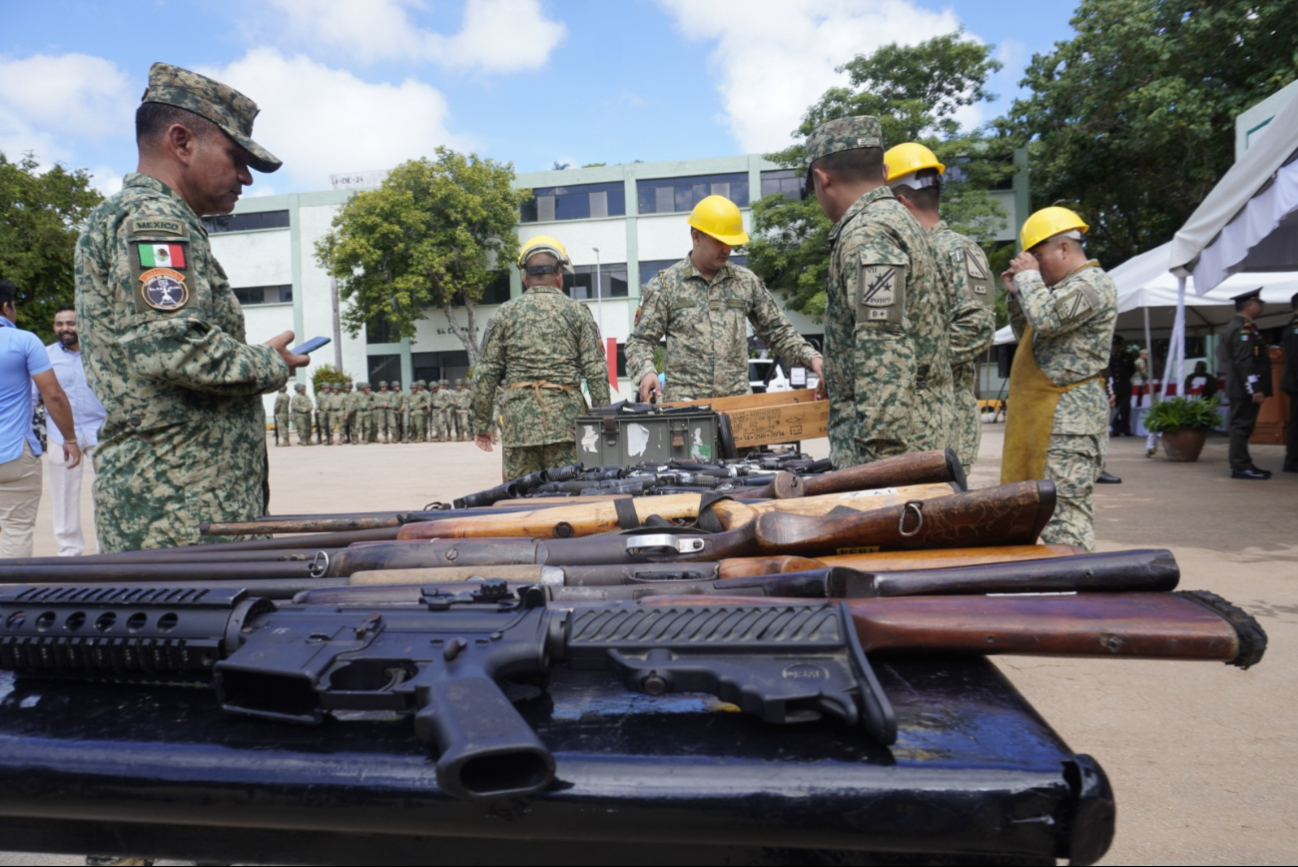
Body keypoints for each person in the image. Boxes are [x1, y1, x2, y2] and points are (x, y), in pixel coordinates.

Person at [74, 62, 306, 551]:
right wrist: (270, 362)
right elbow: (173, 347)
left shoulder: (139, 217)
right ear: (181, 142)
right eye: (236, 157)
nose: (244, 176)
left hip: (180, 499)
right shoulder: (154, 220)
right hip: (178, 510)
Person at [804, 116, 957, 468]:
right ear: (885, 171)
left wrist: (880, 464)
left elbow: (883, 347)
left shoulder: (867, 232)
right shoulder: (904, 220)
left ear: (822, 179)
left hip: (887, 453)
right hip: (921, 434)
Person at [625, 195, 823, 403]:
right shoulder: (665, 285)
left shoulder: (746, 282)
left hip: (736, 405)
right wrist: (647, 371)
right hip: (685, 410)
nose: (727, 249)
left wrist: (812, 357)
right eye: (719, 240)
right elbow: (640, 341)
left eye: (730, 241)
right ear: (696, 237)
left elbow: (778, 331)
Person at [1000, 207, 1117, 551]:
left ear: (1064, 248)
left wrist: (1028, 280)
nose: (1033, 265)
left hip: (1070, 420)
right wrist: (1016, 294)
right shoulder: (1060, 288)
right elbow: (1029, 334)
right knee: (1031, 508)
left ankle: (1077, 591)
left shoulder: (1093, 283)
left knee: (1064, 513)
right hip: (1045, 417)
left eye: (1038, 256)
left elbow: (1048, 319)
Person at [884, 142, 995, 472]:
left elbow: (977, 328)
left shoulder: (959, 251)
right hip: (910, 421)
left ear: (900, 204)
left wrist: (907, 365)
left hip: (945, 421)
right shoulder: (903, 254)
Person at [471, 235, 611, 479]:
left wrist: (483, 425)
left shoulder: (504, 313)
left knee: (520, 503)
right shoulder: (577, 312)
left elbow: (486, 372)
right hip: (566, 425)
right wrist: (606, 419)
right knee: (568, 498)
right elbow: (595, 369)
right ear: (559, 276)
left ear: (525, 279)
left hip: (519, 427)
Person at [0, 281, 81, 557]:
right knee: (16, 528)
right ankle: (7, 596)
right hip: (13, 454)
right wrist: (69, 438)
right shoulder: (24, 341)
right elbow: (53, 396)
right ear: (6, 307)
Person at [35, 306, 107, 556]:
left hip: (102, 433)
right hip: (61, 436)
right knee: (64, 496)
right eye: (59, 324)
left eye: (70, 323)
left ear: (83, 324)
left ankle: (106, 550)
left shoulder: (101, 353)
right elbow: (35, 397)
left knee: (107, 492)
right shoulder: (45, 356)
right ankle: (69, 551)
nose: (64, 328)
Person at [1221, 288, 1272, 479]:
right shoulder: (1242, 328)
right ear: (1250, 305)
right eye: (1259, 303)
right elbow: (1245, 361)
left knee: (1244, 426)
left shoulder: (1244, 326)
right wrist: (1254, 387)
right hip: (1243, 387)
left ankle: (1245, 462)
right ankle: (1240, 466)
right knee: (1241, 426)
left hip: (1242, 386)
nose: (1261, 306)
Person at [1282, 292, 1298, 473]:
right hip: (1296, 382)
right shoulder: (1296, 326)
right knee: (1296, 422)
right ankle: (1292, 461)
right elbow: (1295, 355)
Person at [1108, 335, 1136, 435]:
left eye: (1117, 344)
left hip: (1124, 387)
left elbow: (1132, 370)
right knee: (1112, 409)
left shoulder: (1127, 356)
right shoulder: (1107, 357)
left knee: (1125, 410)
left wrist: (1125, 378)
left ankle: (1125, 428)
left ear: (1120, 345)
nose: (1115, 347)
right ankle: (1116, 429)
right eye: (1113, 345)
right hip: (1112, 387)